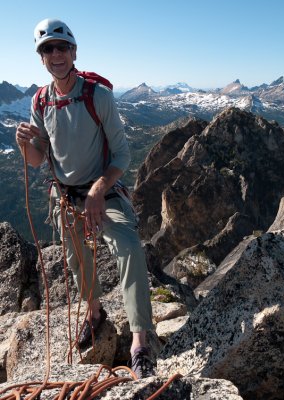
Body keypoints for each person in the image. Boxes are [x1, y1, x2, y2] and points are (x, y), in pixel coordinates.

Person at [16, 18, 155, 379]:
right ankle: (94, 314)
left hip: (103, 192)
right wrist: (24, 143)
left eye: (62, 47)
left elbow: (122, 155)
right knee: (77, 259)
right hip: (65, 197)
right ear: (41, 58)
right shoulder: (41, 101)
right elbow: (37, 158)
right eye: (48, 49)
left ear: (74, 52)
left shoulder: (98, 96)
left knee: (129, 247)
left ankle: (141, 341)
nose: (56, 54)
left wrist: (97, 190)